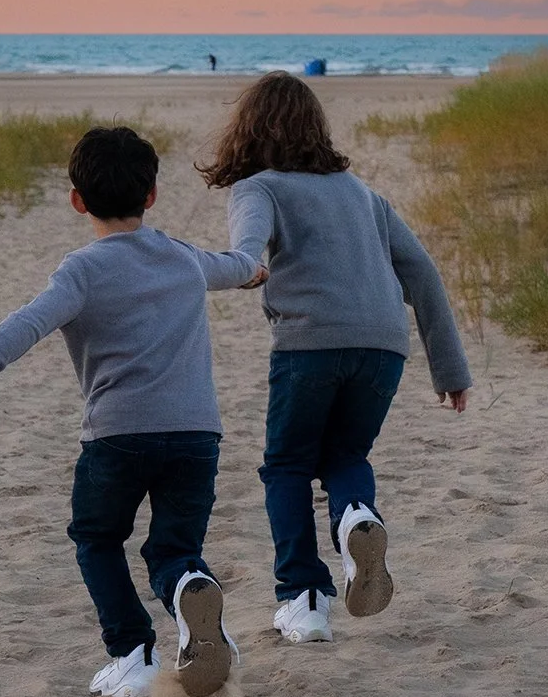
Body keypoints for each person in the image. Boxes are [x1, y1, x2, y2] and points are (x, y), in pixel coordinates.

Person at [0, 126, 264, 697]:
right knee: (172, 547)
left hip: (117, 436)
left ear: (77, 200)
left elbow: (27, 325)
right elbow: (235, 266)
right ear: (152, 194)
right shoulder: (184, 258)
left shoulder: (81, 271)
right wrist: (255, 272)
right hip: (195, 434)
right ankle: (189, 585)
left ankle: (132, 654)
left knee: (97, 536)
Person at [199, 72, 470, 645]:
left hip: (310, 344)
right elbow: (421, 271)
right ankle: (355, 517)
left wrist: (242, 269)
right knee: (346, 454)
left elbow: (248, 251)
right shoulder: (363, 193)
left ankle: (303, 599)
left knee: (288, 465)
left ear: (247, 130)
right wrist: (450, 370)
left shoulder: (258, 187)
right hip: (384, 347)